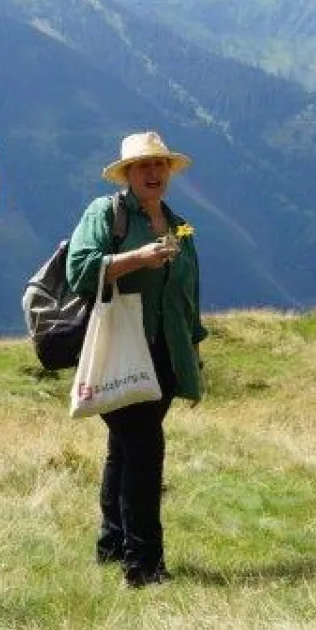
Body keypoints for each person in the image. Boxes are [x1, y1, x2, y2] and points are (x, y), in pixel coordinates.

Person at [66, 131, 207, 588]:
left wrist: (195, 346)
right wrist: (135, 259)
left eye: (160, 165)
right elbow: (80, 271)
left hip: (166, 355)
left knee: (125, 450)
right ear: (127, 174)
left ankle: (111, 546)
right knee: (145, 450)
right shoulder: (105, 215)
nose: (153, 173)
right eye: (143, 166)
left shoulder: (180, 225)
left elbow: (190, 288)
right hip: (121, 351)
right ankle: (144, 566)